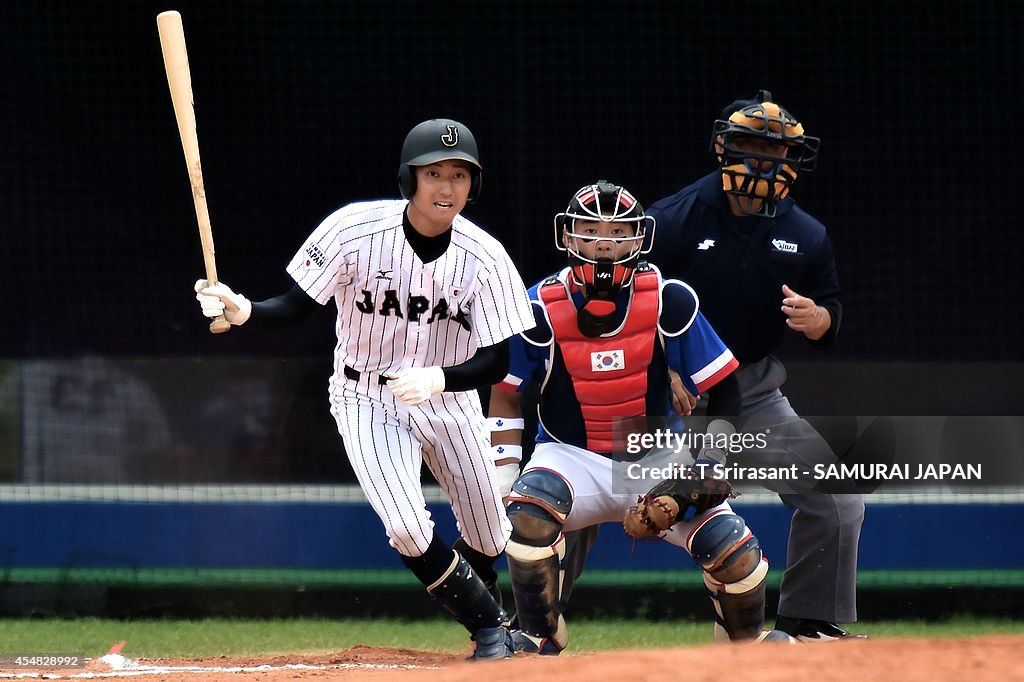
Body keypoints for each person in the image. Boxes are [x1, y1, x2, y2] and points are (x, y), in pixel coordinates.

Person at [193, 118, 535, 660]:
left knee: (491, 536)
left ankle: (487, 626)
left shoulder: (485, 256)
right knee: (405, 525)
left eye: (460, 175)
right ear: (409, 179)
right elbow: (296, 306)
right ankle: (493, 630)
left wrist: (439, 378)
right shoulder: (353, 230)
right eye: (434, 174)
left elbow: (498, 359)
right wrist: (244, 311)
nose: (447, 188)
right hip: (365, 396)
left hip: (449, 399)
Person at [487, 180, 789, 654]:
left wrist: (707, 470)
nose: (605, 242)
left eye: (619, 231)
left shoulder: (671, 300)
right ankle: (540, 633)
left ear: (640, 238)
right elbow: (504, 393)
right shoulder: (535, 308)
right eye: (590, 230)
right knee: (525, 520)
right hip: (569, 455)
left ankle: (741, 645)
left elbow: (725, 387)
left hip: (656, 456)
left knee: (735, 552)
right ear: (567, 237)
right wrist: (504, 477)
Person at [644, 90, 867, 641]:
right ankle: (533, 628)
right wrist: (664, 369)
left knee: (837, 495)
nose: (764, 162)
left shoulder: (808, 235)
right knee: (586, 488)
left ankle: (807, 625)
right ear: (722, 148)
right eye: (750, 146)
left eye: (778, 151)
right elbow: (627, 305)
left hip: (754, 393)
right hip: (666, 392)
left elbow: (829, 312)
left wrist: (819, 319)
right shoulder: (670, 220)